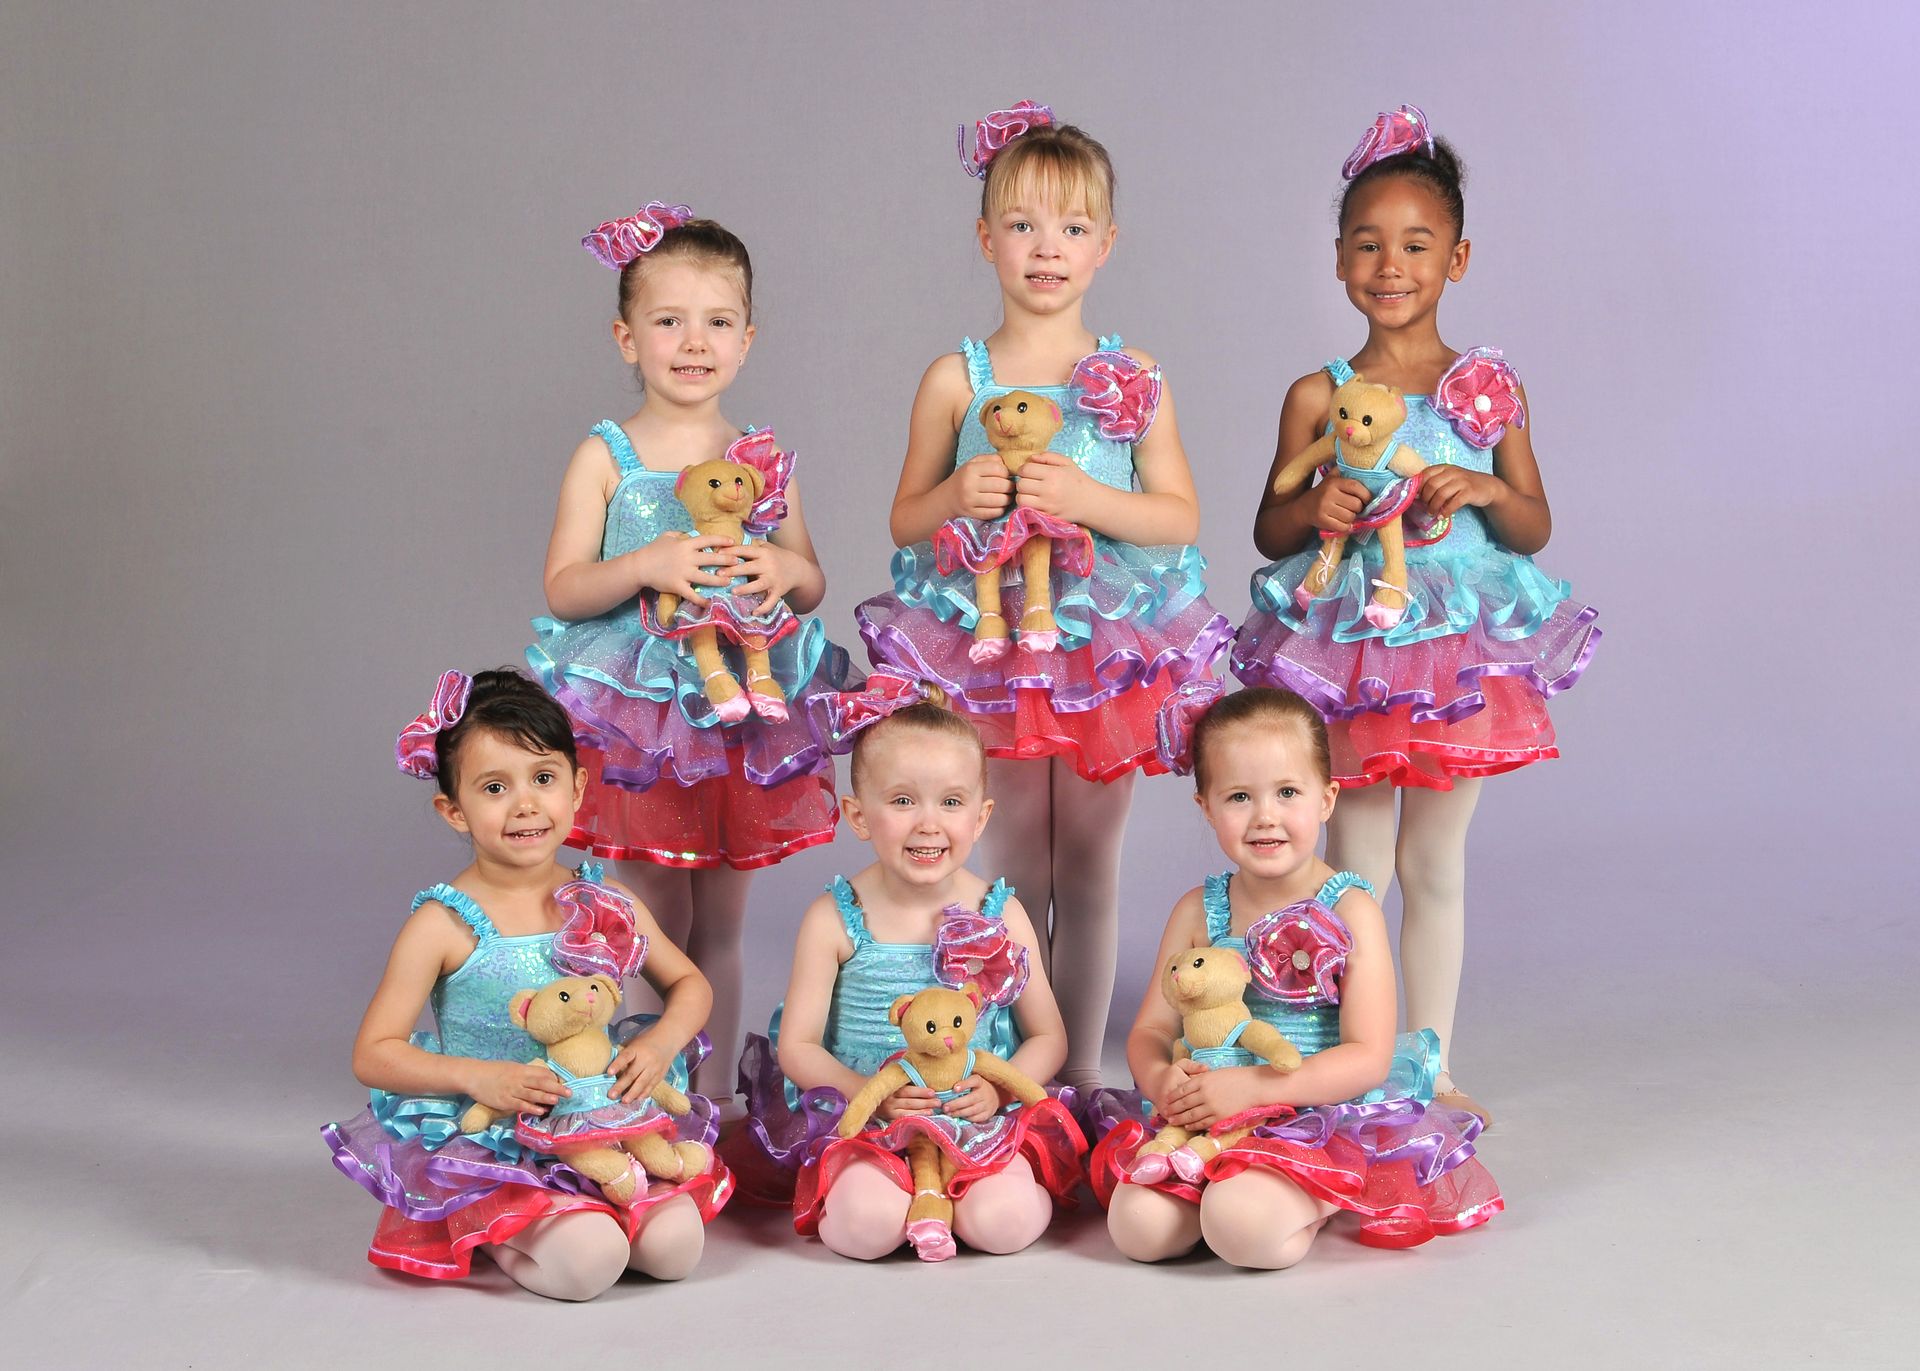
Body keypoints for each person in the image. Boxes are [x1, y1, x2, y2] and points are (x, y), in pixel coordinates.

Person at [1233, 107, 1600, 1123]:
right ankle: (1342, 1054)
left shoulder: (1486, 392)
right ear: (1339, 258)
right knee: (1352, 862)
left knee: (1433, 861)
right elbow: (1270, 527)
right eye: (1367, 244)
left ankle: (1427, 1061)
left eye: (1416, 245)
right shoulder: (1319, 392)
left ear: (1458, 257)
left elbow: (1532, 522)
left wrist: (1482, 491)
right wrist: (1319, 507)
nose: (1390, 265)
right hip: (1351, 651)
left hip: (1453, 658)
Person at [856, 104, 1229, 1090]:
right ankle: (1018, 1063)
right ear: (987, 240)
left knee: (1092, 861)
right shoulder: (956, 379)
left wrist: (1091, 497)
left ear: (1105, 246)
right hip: (991, 642)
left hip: (1103, 643)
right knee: (1017, 850)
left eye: (1071, 228)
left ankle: (1080, 1082)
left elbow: (1179, 514)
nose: (1046, 249)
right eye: (1022, 225)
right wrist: (955, 497)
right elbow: (905, 516)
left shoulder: (1132, 376)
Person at [528, 203, 856, 1098]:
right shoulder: (608, 454)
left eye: (716, 322)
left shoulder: (761, 457)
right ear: (626, 336)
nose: (692, 341)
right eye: (667, 320)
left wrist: (778, 565)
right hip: (638, 720)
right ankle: (641, 1095)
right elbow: (563, 586)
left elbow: (814, 580)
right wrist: (648, 562)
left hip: (739, 716)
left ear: (747, 339)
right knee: (647, 919)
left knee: (722, 918)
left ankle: (715, 1111)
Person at [324, 669, 729, 1298]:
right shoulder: (445, 923)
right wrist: (479, 1079)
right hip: (503, 1133)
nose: (525, 805)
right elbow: (374, 1054)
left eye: (543, 779)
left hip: (600, 1117)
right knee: (589, 1264)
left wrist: (660, 1045)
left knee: (677, 1250)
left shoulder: (604, 899)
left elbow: (690, 985)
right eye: (494, 787)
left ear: (577, 787)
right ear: (453, 809)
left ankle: (589, 1204)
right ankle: (494, 1227)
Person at [1093, 683, 1501, 1267]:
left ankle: (1315, 1190)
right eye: (1238, 796)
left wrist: (1256, 1088)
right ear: (1205, 806)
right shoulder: (1197, 910)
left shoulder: (1349, 910)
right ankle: (1221, 1175)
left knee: (1241, 1228)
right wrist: (1163, 1083)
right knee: (1138, 1229)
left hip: (1308, 1110)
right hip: (1206, 1110)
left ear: (1326, 800)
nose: (1266, 817)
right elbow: (1150, 1032)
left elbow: (1367, 1055)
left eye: (1288, 792)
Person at [727, 675, 1085, 1260]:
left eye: (951, 801)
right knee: (863, 1231)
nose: (928, 823)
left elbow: (1048, 1035)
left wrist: (996, 1089)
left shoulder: (1001, 913)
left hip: (976, 1116)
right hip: (872, 1117)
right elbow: (799, 1046)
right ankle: (898, 1194)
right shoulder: (835, 919)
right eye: (901, 800)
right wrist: (869, 1096)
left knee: (1003, 1226)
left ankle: (981, 1190)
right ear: (858, 815)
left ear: (981, 816)